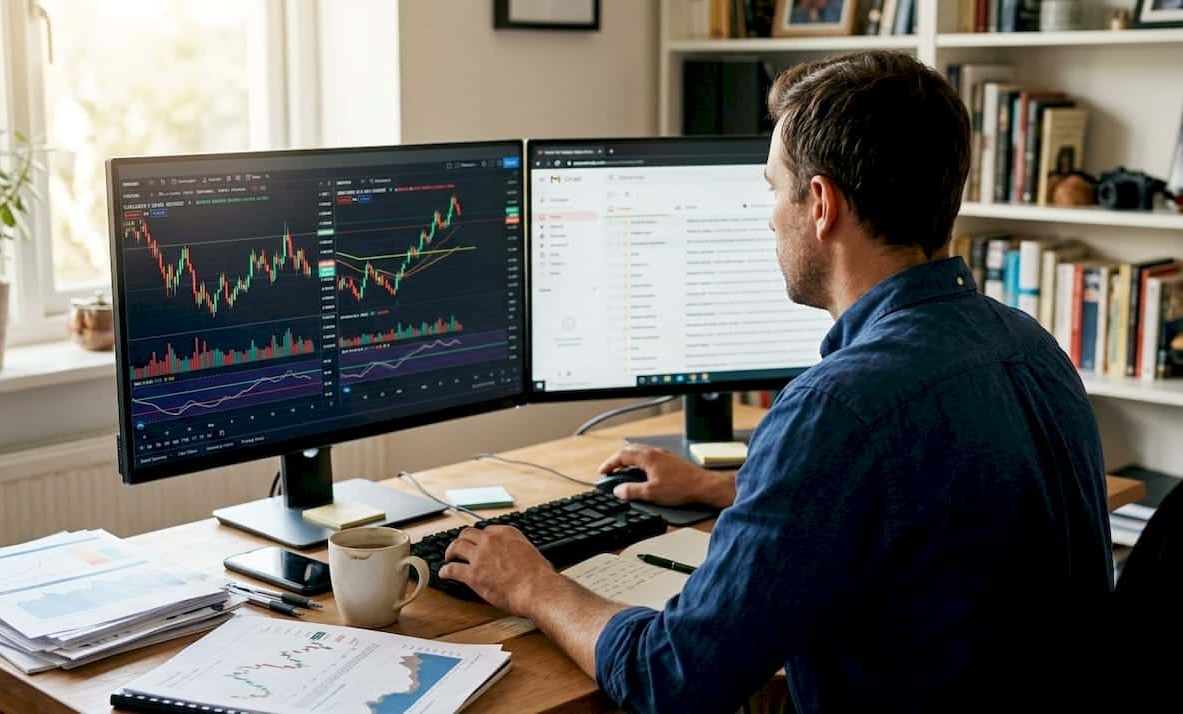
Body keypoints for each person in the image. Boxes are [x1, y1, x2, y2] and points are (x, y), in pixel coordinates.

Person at [438, 50, 1112, 713]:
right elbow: (915, 499)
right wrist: (714, 486)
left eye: (772, 188)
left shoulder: (837, 409)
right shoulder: (1030, 346)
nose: (768, 215)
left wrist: (535, 587)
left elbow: (675, 681)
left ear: (820, 203)